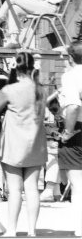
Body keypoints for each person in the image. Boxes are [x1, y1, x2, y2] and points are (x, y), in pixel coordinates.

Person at [0, 51, 48, 237]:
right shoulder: (41, 90)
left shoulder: (9, 90)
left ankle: (11, 229)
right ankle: (32, 230)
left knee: (15, 190)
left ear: (16, 68)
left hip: (13, 145)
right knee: (32, 189)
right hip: (35, 144)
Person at [57, 42, 82, 237]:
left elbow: (73, 106)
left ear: (71, 58)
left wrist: (67, 132)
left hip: (77, 130)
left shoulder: (71, 76)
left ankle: (80, 226)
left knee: (78, 183)